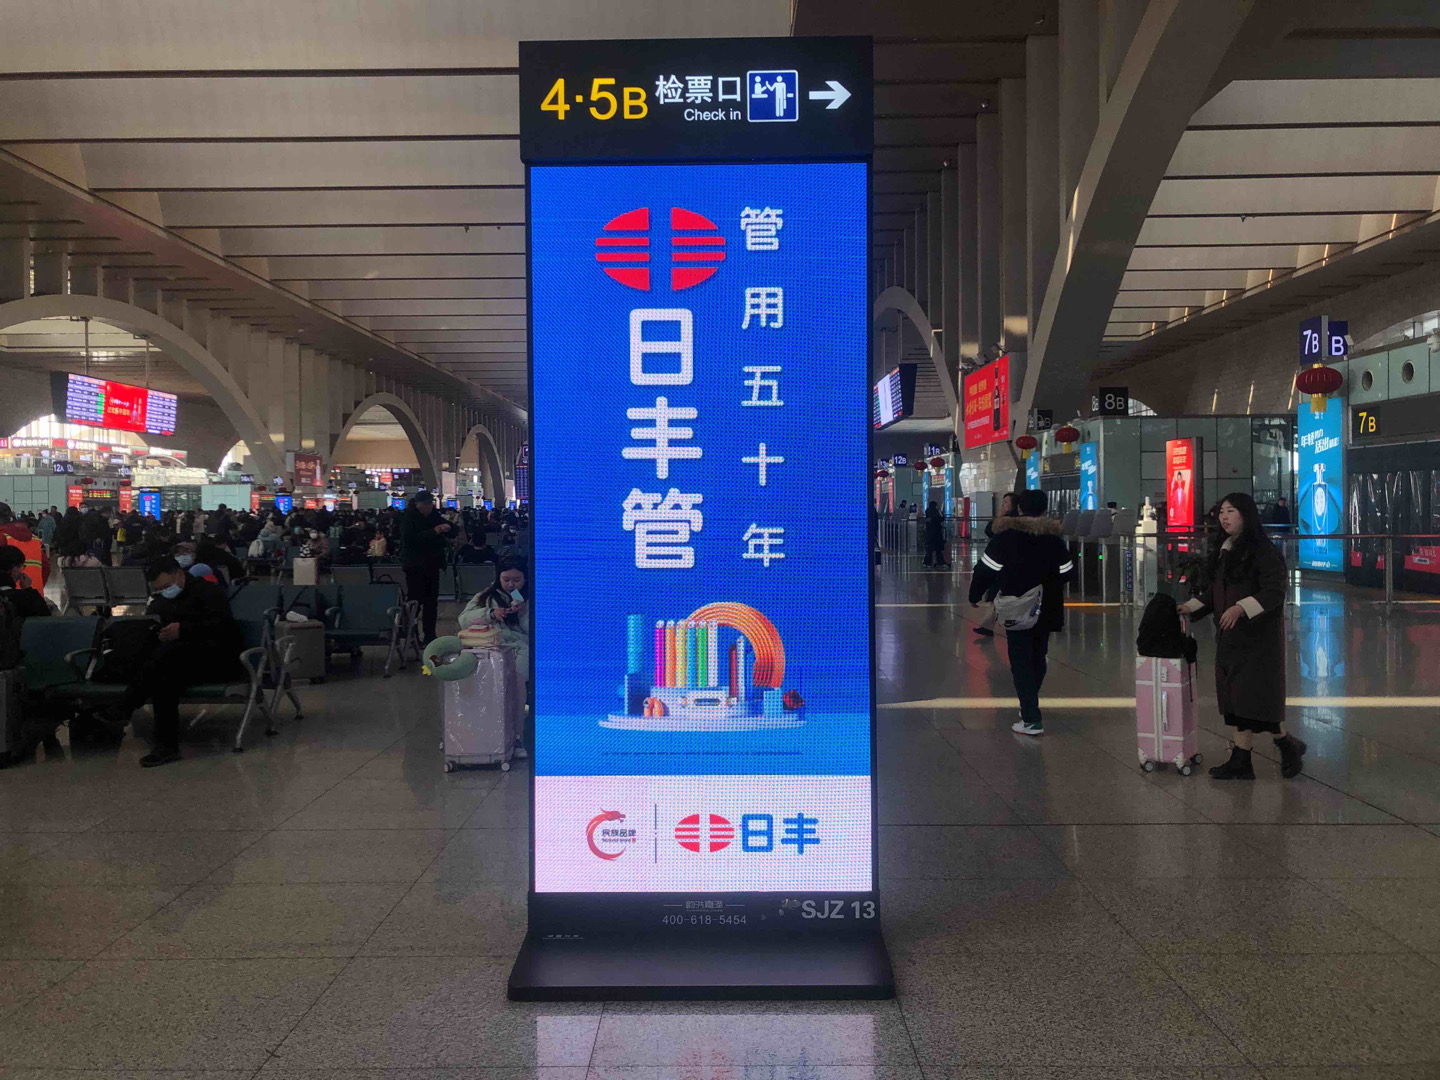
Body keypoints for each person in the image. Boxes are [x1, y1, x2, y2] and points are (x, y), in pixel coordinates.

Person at [1180, 492, 1305, 780]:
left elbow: (1274, 591)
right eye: (1221, 512)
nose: (1224, 517)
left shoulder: (1262, 551)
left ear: (1246, 515)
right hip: (1231, 638)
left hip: (1257, 640)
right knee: (1238, 699)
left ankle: (1280, 748)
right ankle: (1246, 757)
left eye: (1231, 511)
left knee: (1254, 699)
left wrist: (1240, 608)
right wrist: (1190, 607)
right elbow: (1215, 592)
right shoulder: (1226, 550)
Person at [109, 556, 243, 768]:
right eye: (159, 589)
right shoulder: (162, 600)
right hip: (177, 662)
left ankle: (126, 706)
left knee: (168, 657)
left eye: (166, 586)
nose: (164, 591)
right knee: (163, 673)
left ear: (180, 575)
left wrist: (183, 629)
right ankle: (165, 746)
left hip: (216, 659)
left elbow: (224, 628)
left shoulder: (209, 592)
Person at [968, 489, 1076, 736]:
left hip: (1017, 606)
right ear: (1044, 509)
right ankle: (1029, 704)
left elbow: (985, 569)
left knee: (1020, 660)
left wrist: (975, 595)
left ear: (1019, 508)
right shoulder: (1054, 540)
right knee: (1038, 656)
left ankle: (1031, 718)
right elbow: (1068, 572)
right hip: (1047, 605)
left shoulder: (1007, 537)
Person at [459, 557, 529, 757]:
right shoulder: (486, 596)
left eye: (517, 580)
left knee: (515, 684)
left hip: (520, 648)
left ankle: (516, 734)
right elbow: (463, 619)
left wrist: (524, 614)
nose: (511, 585)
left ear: (525, 579)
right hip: (490, 647)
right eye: (506, 579)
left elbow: (536, 631)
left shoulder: (531, 597)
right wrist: (490, 613)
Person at [400, 491, 451, 644]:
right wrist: (435, 531)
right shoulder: (408, 519)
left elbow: (453, 530)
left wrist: (448, 528)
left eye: (430, 503)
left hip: (432, 565)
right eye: (426, 504)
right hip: (415, 567)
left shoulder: (434, 516)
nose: (429, 507)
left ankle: (430, 636)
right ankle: (412, 635)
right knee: (415, 603)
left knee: (431, 603)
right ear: (418, 505)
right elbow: (410, 541)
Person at [973, 492, 1019, 638]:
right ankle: (987, 626)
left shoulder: (1008, 525)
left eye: (1006, 503)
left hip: (1007, 569)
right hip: (1007, 569)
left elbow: (990, 532)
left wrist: (974, 594)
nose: (1003, 505)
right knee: (999, 597)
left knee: (1000, 596)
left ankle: (989, 626)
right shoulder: (1008, 522)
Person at [0, 545, 52, 618]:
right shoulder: (23, 599)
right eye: (22, 566)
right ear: (14, 570)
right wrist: (28, 590)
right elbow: (46, 618)